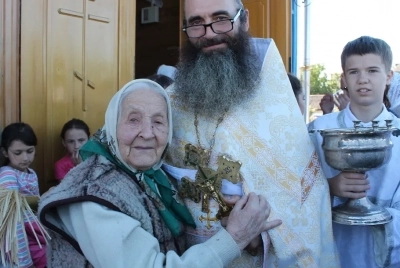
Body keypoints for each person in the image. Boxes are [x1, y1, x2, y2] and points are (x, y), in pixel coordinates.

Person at [163, 0, 339, 267]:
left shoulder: (275, 99)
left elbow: (300, 198)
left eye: (221, 19)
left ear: (243, 20)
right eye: (196, 23)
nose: (209, 34)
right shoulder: (170, 101)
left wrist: (261, 233)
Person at [38, 79, 281, 268]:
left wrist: (233, 225)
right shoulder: (93, 194)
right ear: (112, 126)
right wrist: (234, 238)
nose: (147, 132)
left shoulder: (154, 178)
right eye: (133, 120)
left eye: (158, 121)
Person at [308, 36, 400, 267]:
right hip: (334, 247)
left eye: (372, 70)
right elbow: (293, 188)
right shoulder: (318, 130)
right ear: (344, 79)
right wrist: (329, 188)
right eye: (354, 72)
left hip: (386, 252)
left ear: (389, 76)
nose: (363, 80)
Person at [0, 122, 48, 268]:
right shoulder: (7, 175)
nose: (25, 158)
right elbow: (12, 224)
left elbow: (34, 207)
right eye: (18, 153)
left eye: (30, 150)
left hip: (36, 234)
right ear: (5, 152)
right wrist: (23, 262)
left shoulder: (31, 173)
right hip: (20, 242)